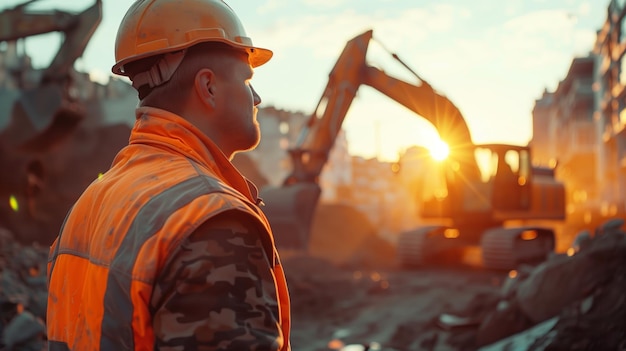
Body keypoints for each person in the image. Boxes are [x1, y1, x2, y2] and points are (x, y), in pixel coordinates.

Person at [46, 0, 291, 349]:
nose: (257, 98)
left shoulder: (88, 206)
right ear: (208, 87)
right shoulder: (213, 220)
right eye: (247, 79)